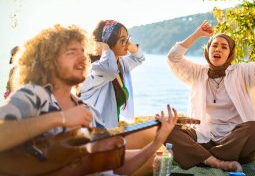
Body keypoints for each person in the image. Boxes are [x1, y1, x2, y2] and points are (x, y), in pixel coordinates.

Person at [0, 24, 178, 176]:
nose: (81, 58)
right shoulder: (35, 96)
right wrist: (61, 118)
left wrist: (156, 143)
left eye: (83, 52)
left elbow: (116, 166)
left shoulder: (87, 112)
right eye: (71, 52)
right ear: (49, 61)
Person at [166, 12, 255, 171]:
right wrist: (197, 34)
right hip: (203, 137)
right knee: (166, 129)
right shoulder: (197, 72)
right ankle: (216, 161)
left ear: (230, 53)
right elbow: (173, 57)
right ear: (208, 50)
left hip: (233, 140)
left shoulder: (241, 72)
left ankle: (200, 156)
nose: (218, 49)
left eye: (223, 47)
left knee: (254, 128)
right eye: (214, 45)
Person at [79, 20, 145, 128]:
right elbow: (110, 71)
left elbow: (139, 58)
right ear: (109, 43)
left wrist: (130, 45)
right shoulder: (97, 68)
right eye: (122, 40)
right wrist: (105, 48)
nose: (127, 43)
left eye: (128, 38)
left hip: (110, 133)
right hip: (95, 134)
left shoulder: (121, 64)